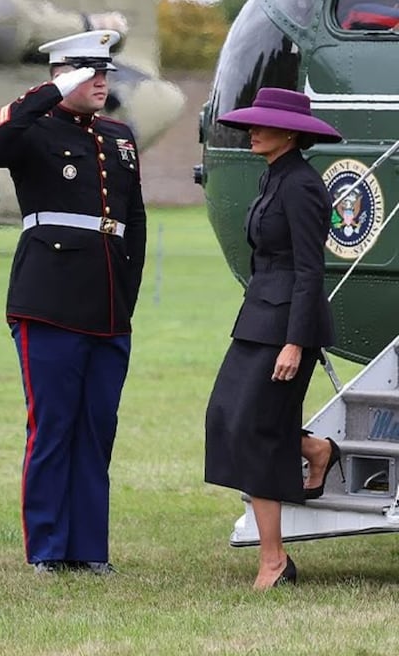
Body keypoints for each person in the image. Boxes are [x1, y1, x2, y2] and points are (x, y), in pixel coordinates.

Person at [0, 30, 146, 575]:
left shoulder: (119, 135)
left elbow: (133, 223)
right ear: (61, 75)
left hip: (108, 304)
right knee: (52, 428)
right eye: (88, 71)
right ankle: (48, 547)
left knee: (97, 429)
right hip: (48, 298)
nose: (101, 81)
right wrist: (49, 90)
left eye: (105, 71)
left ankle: (89, 549)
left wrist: (127, 296)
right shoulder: (34, 129)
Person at [203, 87, 342, 590]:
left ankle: (274, 561)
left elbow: (310, 269)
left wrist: (295, 341)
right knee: (228, 419)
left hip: (285, 329)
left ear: (290, 133)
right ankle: (314, 449)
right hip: (257, 321)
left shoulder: (302, 185)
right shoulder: (272, 178)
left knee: (253, 433)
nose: (251, 131)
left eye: (262, 124)